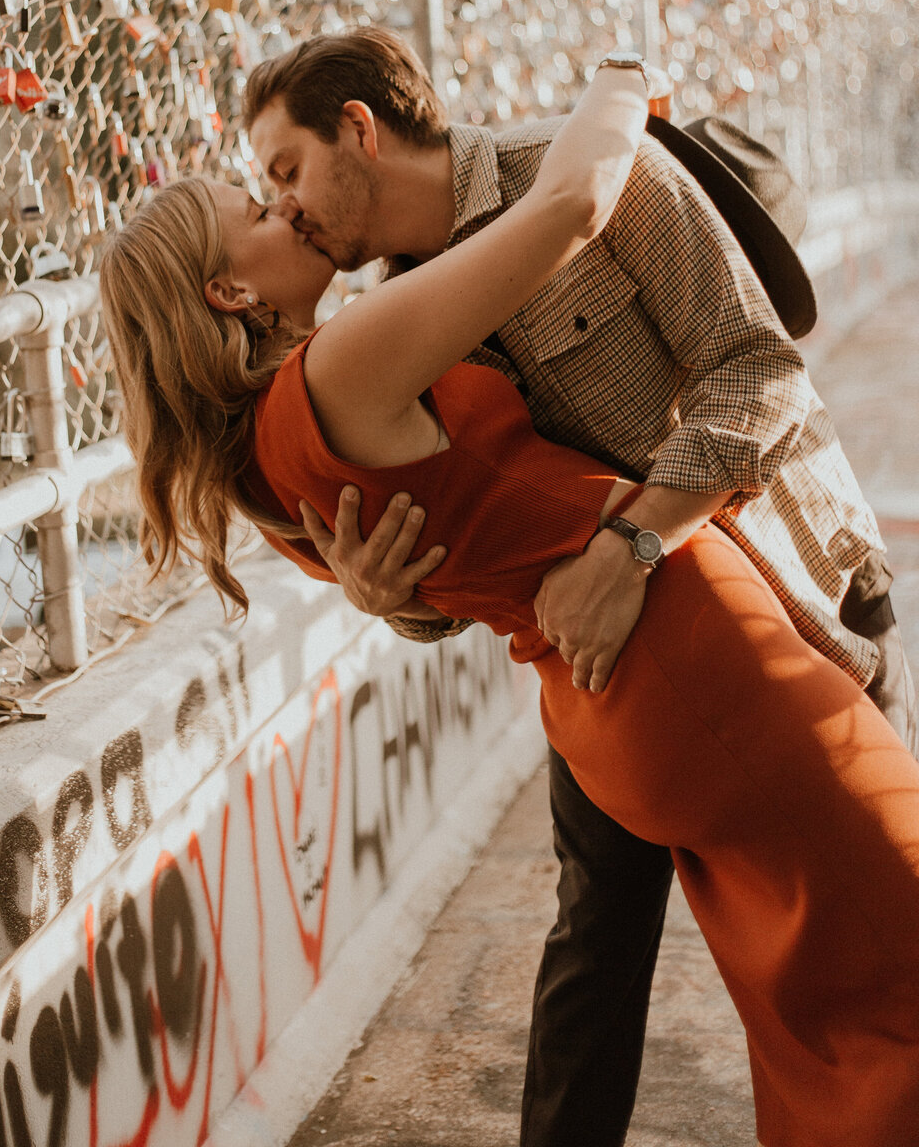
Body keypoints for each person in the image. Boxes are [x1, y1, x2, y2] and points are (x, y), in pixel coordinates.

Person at [100, 55, 919, 1147]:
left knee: (812, 1015)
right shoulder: (356, 352)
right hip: (687, 654)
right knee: (891, 962)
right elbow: (571, 209)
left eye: (280, 174)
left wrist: (394, 596)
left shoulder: (271, 450)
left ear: (358, 129)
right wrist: (621, 82)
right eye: (258, 199)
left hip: (659, 646)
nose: (281, 204)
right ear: (228, 291)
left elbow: (742, 376)